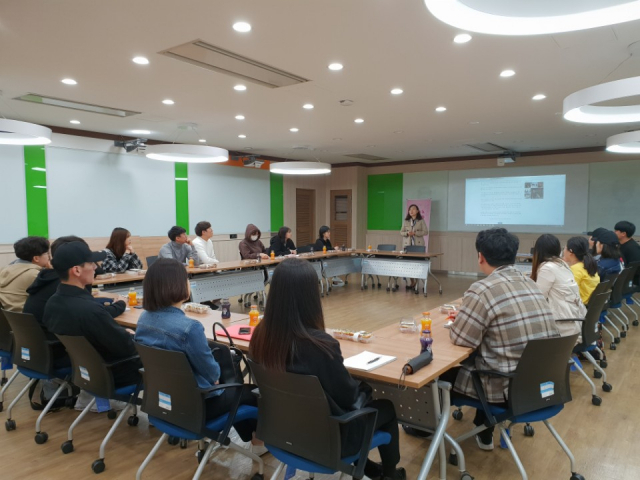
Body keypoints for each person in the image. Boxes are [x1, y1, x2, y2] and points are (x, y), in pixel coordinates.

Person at [249, 258, 405, 480]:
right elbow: (349, 398)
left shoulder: (260, 336)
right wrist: (365, 388)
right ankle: (389, 475)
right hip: (327, 442)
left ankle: (370, 468)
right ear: (311, 297)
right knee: (386, 408)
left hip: (282, 431)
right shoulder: (320, 346)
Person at [134, 258, 264, 453]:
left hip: (163, 399)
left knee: (229, 375)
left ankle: (243, 438)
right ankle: (257, 442)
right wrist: (216, 375)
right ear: (177, 286)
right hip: (199, 406)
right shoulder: (190, 328)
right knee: (252, 393)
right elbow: (212, 375)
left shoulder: (143, 319)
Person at [447, 228, 558, 451]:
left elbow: (461, 338)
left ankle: (424, 431)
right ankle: (484, 430)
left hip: (507, 388)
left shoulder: (482, 289)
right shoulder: (531, 284)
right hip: (542, 384)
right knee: (490, 356)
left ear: (481, 257)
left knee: (438, 376)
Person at [43, 241, 141, 387]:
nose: (96, 267)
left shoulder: (52, 302)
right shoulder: (90, 311)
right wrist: (130, 335)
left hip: (86, 371)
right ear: (76, 270)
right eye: (91, 263)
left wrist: (121, 333)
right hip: (116, 373)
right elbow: (126, 347)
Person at [24, 236, 126, 329]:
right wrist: (120, 304)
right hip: (58, 343)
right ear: (76, 269)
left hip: (45, 340)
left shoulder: (48, 278)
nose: (94, 266)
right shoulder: (66, 284)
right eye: (89, 262)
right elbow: (94, 313)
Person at [530, 234, 585, 338]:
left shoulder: (547, 268)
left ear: (538, 251)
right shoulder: (563, 265)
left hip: (562, 327)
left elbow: (538, 301)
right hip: (575, 322)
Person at [0, 236, 50, 312]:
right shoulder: (36, 275)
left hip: (10, 319)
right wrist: (52, 271)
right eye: (47, 253)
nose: (49, 257)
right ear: (36, 258)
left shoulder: (3, 270)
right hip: (29, 319)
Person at [563, 236, 600, 305]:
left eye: (565, 248)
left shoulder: (575, 269)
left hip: (579, 306)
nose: (563, 251)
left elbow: (567, 292)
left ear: (571, 252)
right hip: (588, 304)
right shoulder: (587, 264)